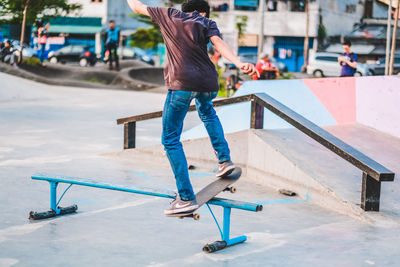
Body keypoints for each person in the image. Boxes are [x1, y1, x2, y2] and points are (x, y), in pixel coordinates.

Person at [127, 0, 257, 215]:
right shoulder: (206, 22)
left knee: (170, 139)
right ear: (203, 11)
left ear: (183, 10)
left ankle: (186, 198)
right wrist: (238, 62)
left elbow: (136, 7)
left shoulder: (168, 14)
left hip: (181, 85)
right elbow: (219, 44)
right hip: (208, 83)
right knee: (207, 112)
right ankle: (224, 160)